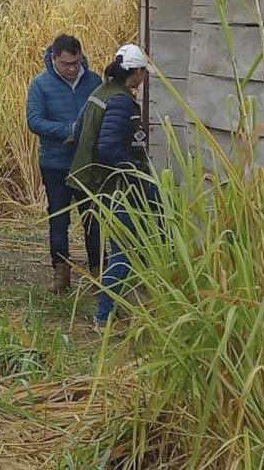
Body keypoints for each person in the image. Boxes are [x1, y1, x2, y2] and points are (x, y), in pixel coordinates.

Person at [67, 43, 157, 330]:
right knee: (124, 250)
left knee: (129, 246)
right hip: (119, 187)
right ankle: (105, 316)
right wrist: (132, 169)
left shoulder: (100, 92)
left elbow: (78, 132)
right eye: (144, 73)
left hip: (102, 185)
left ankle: (116, 308)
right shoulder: (120, 100)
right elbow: (108, 146)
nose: (144, 78)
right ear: (138, 72)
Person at [26, 34, 103, 293]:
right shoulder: (41, 84)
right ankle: (61, 274)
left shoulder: (93, 81)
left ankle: (98, 273)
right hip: (55, 163)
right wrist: (67, 130)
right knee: (59, 219)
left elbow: (105, 115)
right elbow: (34, 121)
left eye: (77, 63)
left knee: (93, 218)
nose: (72, 69)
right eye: (66, 64)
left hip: (88, 163)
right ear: (53, 58)